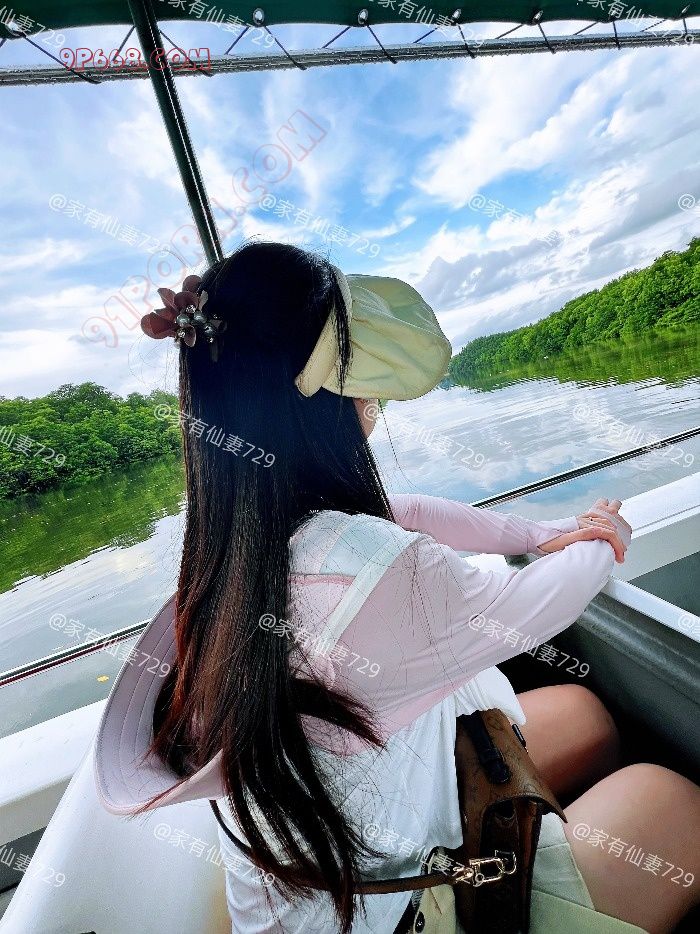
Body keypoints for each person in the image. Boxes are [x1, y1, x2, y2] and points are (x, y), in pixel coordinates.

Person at [95, 241, 699, 934]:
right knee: (672, 803)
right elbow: (536, 606)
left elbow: (404, 512)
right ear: (326, 394)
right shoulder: (387, 575)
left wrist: (538, 533)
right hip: (391, 912)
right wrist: (600, 535)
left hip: (313, 886)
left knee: (585, 717)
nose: (374, 397)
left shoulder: (230, 558)